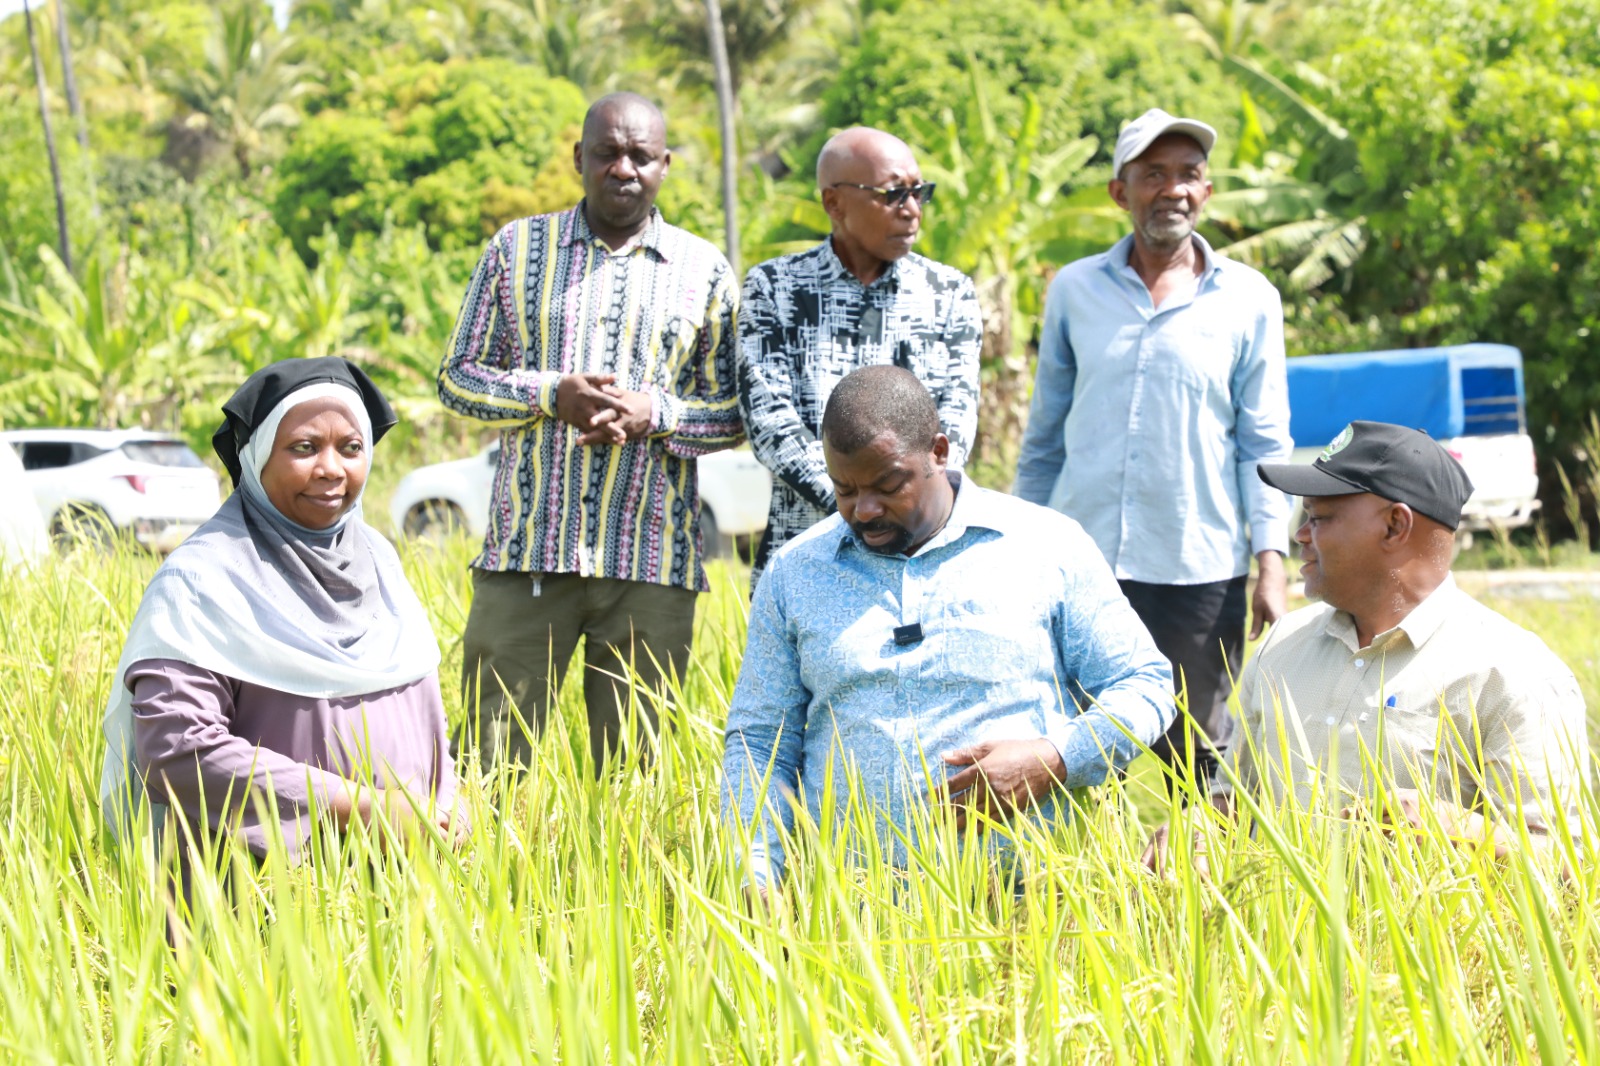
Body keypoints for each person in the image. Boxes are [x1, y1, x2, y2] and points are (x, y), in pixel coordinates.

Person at [723, 367, 1173, 892]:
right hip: (851, 914)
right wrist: (756, 873)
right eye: (844, 489)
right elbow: (760, 741)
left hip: (1031, 907)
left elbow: (1145, 683)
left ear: (939, 451)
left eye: (888, 485)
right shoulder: (796, 572)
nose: (864, 510)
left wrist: (1055, 758)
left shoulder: (1046, 546)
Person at [438, 93, 743, 772]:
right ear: (580, 158)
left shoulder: (705, 270)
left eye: (641, 155)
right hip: (527, 556)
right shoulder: (515, 249)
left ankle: (613, 882)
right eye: (607, 152)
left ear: (666, 164)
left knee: (635, 776)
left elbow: (733, 411)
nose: (623, 168)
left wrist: (655, 414)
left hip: (651, 564)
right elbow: (457, 377)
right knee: (488, 764)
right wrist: (553, 395)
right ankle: (481, 879)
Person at [1143, 421, 1590, 873]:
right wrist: (1196, 824)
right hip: (1274, 939)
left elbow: (1568, 867)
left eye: (1318, 518)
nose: (1299, 536)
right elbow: (1236, 798)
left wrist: (1456, 827)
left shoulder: (1512, 675)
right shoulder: (1281, 649)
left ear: (1395, 525)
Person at [1013, 107, 1293, 788]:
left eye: (1189, 175)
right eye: (1154, 175)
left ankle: (1193, 885)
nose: (1174, 189)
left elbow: (1263, 440)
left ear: (1208, 192)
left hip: (1198, 566)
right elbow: (1046, 434)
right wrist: (1015, 548)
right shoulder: (1076, 289)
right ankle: (1067, 883)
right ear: (1120, 191)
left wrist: (1272, 562)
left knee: (1196, 752)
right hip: (1081, 561)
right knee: (1067, 742)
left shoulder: (1249, 298)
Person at [99, 357, 459, 864]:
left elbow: (427, 719)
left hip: (399, 882)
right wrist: (357, 807)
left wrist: (446, 811)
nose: (332, 468)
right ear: (257, 457)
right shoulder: (205, 580)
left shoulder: (379, 560)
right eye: (304, 448)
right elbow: (178, 750)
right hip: (260, 898)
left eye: (351, 448)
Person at [739, 126, 982, 592]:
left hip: (925, 553)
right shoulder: (775, 289)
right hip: (809, 552)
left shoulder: (949, 294)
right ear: (834, 204)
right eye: (893, 194)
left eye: (918, 193)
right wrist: (859, 508)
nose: (911, 210)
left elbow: (957, 414)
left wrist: (906, 505)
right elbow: (770, 421)